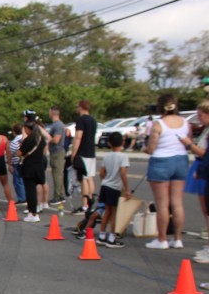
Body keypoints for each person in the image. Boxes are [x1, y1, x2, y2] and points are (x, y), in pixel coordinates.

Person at [143, 93, 193, 250]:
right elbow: (189, 142)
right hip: (181, 160)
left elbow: (151, 148)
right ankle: (177, 239)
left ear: (160, 107)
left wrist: (145, 149)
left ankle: (162, 239)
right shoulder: (185, 122)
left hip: (161, 161)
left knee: (162, 204)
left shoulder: (158, 124)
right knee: (177, 203)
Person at [85, 132, 131, 248]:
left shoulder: (107, 156)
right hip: (115, 188)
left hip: (105, 186)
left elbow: (101, 173)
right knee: (114, 213)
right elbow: (123, 173)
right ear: (122, 142)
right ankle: (112, 238)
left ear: (110, 143)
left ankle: (102, 235)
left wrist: (105, 181)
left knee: (106, 212)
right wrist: (127, 189)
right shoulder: (123, 157)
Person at [18, 113, 51, 222]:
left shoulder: (29, 140)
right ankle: (35, 210)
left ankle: (33, 213)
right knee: (34, 190)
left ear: (28, 129)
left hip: (29, 168)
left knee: (30, 191)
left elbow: (19, 153)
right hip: (38, 166)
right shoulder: (40, 140)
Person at [189, 103, 209, 264]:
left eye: (201, 115)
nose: (199, 118)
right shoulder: (205, 130)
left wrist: (189, 144)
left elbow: (204, 153)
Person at [70, 100, 98, 213]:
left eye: (77, 106)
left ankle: (85, 204)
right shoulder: (93, 120)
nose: (76, 108)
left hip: (83, 152)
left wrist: (73, 153)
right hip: (91, 152)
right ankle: (91, 202)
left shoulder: (81, 120)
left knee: (84, 179)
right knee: (90, 177)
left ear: (81, 107)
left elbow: (78, 137)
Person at [46, 107, 67, 205]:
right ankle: (60, 194)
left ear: (52, 113)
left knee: (57, 174)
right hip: (55, 151)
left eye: (49, 112)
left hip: (57, 152)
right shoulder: (57, 125)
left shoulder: (57, 125)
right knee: (57, 174)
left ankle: (58, 196)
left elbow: (56, 139)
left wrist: (47, 138)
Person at [8, 124, 27, 204]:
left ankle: (22, 198)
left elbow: (11, 153)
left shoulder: (14, 142)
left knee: (18, 181)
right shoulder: (26, 138)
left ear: (14, 132)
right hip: (26, 162)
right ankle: (26, 196)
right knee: (25, 180)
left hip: (17, 162)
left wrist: (10, 164)